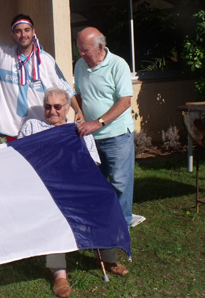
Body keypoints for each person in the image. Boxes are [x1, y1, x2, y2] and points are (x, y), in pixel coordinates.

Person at [18, 88, 99, 298]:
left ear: (67, 109)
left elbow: (93, 167)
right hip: (42, 188)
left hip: (75, 187)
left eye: (57, 107)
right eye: (47, 106)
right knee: (52, 212)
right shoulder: (32, 127)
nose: (52, 111)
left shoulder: (79, 131)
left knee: (103, 200)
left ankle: (108, 257)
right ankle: (59, 274)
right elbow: (19, 159)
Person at [0, 14, 84, 141]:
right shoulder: (3, 54)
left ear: (33, 32)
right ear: (12, 35)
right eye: (18, 31)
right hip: (14, 131)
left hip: (41, 127)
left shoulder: (45, 60)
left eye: (27, 30)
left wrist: (77, 110)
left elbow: (65, 87)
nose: (23, 35)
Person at [75, 27, 134, 276]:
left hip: (117, 137)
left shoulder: (118, 64)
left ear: (99, 47)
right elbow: (77, 93)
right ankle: (100, 237)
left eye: (85, 50)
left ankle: (120, 237)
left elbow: (125, 101)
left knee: (120, 186)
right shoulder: (80, 65)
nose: (81, 54)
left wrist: (98, 122)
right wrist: (78, 111)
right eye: (79, 49)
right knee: (96, 190)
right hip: (90, 139)